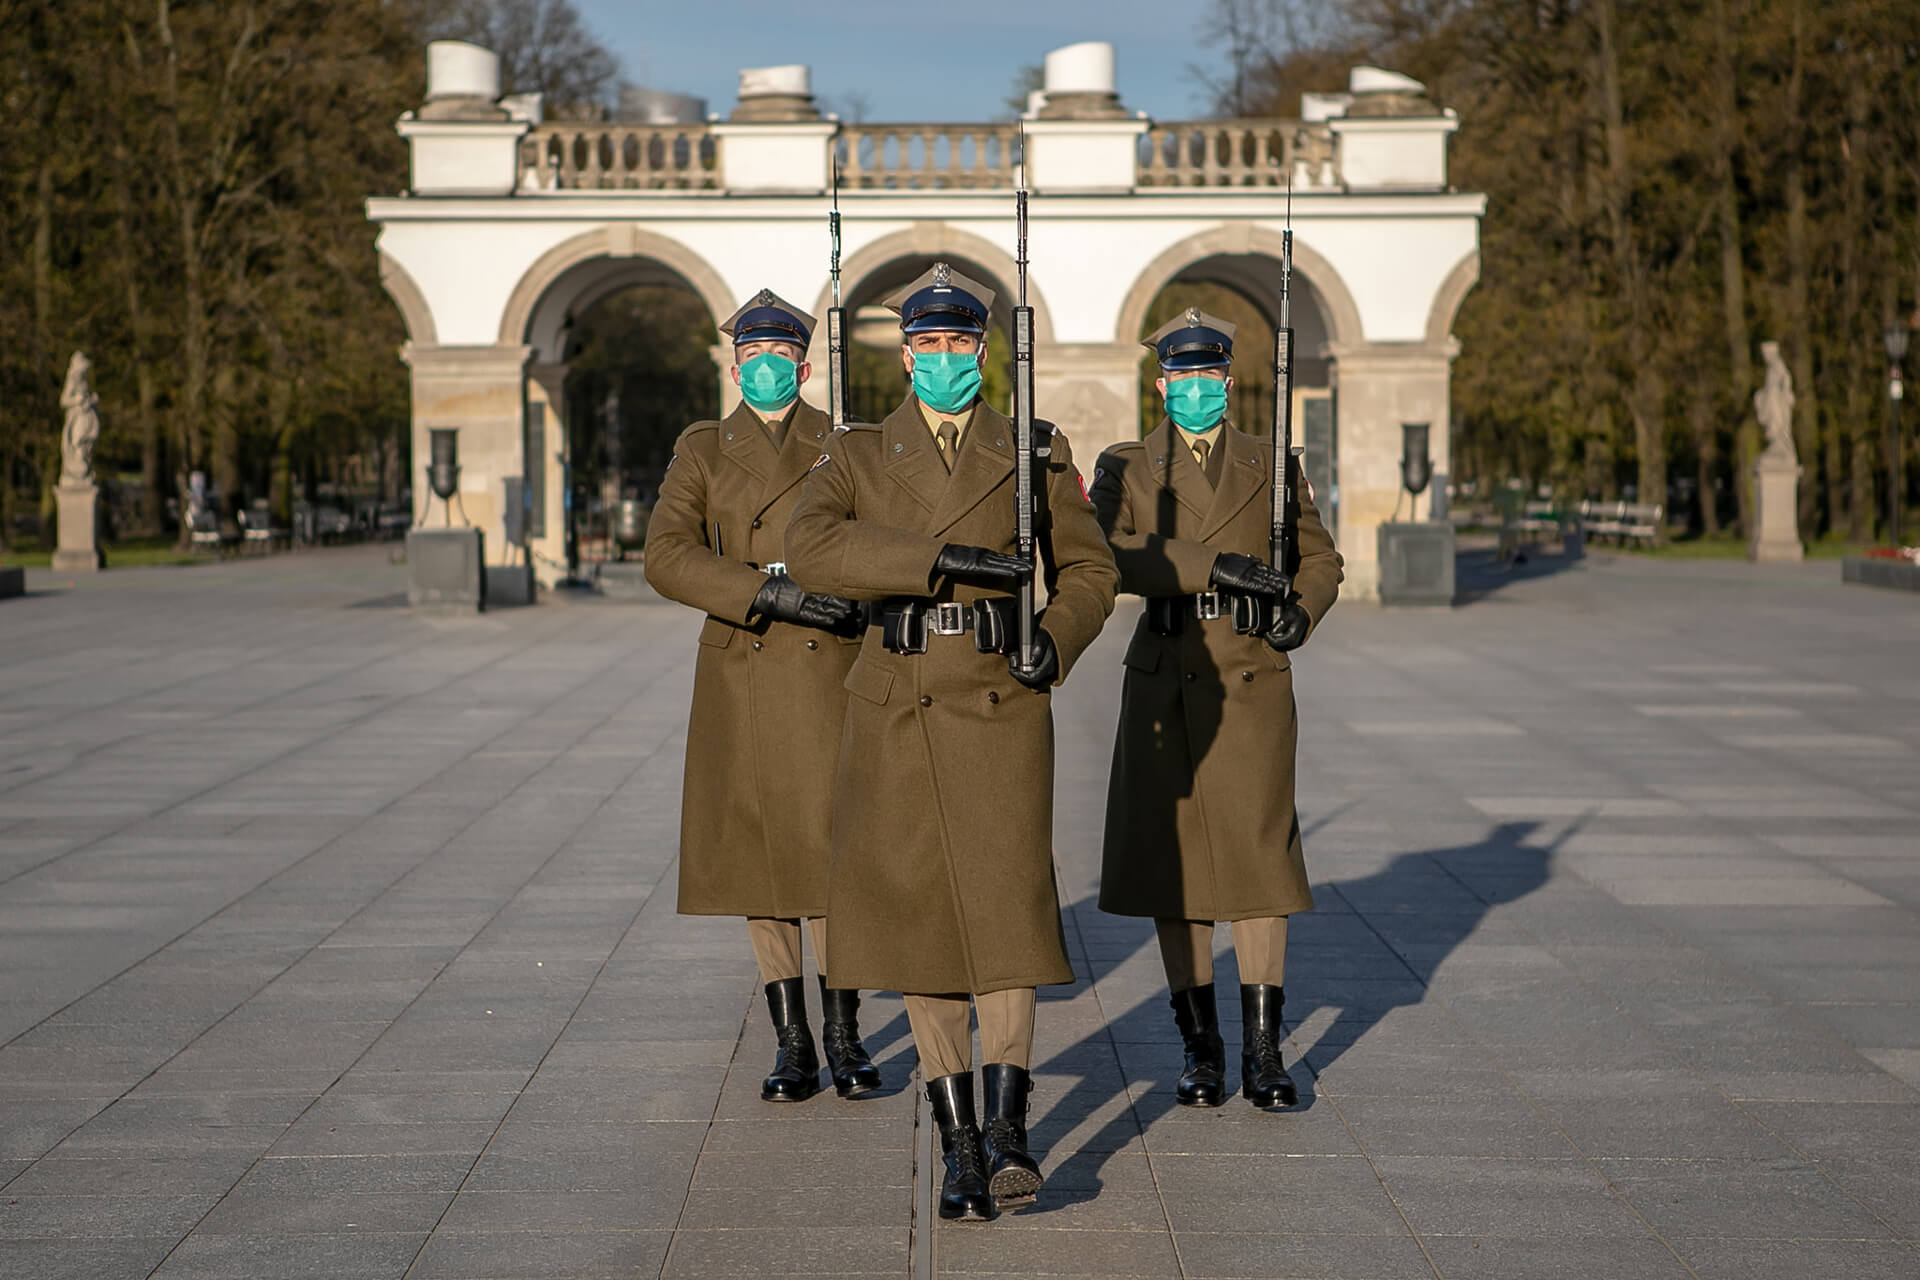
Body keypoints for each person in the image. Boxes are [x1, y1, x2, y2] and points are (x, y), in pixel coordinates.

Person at [784, 263, 1118, 1220]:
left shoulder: (1035, 450)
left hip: (1000, 699)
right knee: (923, 924)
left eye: (957, 346)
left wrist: (1055, 640)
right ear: (904, 354)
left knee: (1008, 919)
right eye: (924, 346)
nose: (940, 360)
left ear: (985, 352)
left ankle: (1011, 1131)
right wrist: (935, 559)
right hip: (896, 699)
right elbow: (814, 550)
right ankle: (959, 1144)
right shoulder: (856, 452)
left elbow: (1089, 568)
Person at [1088, 308, 1343, 1110]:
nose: (1195, 389)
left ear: (1228, 383)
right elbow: (1109, 556)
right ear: (1159, 386)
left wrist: (1301, 610)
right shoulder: (1125, 466)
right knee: (1178, 870)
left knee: (1260, 861)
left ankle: (1264, 1051)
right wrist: (1218, 568)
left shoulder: (1271, 462)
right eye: (1180, 378)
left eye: (1209, 377)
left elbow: (1320, 555)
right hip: (1167, 668)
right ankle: (1200, 1045)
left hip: (1250, 674)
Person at [644, 288, 881, 1104]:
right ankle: (792, 1041)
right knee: (761, 855)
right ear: (735, 365)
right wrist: (766, 594)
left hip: (831, 666)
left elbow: (874, 535)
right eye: (752, 360)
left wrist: (851, 586)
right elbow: (666, 556)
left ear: (805, 365)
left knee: (833, 848)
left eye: (781, 359)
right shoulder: (705, 449)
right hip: (745, 659)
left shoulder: (845, 444)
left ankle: (845, 1032)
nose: (766, 370)